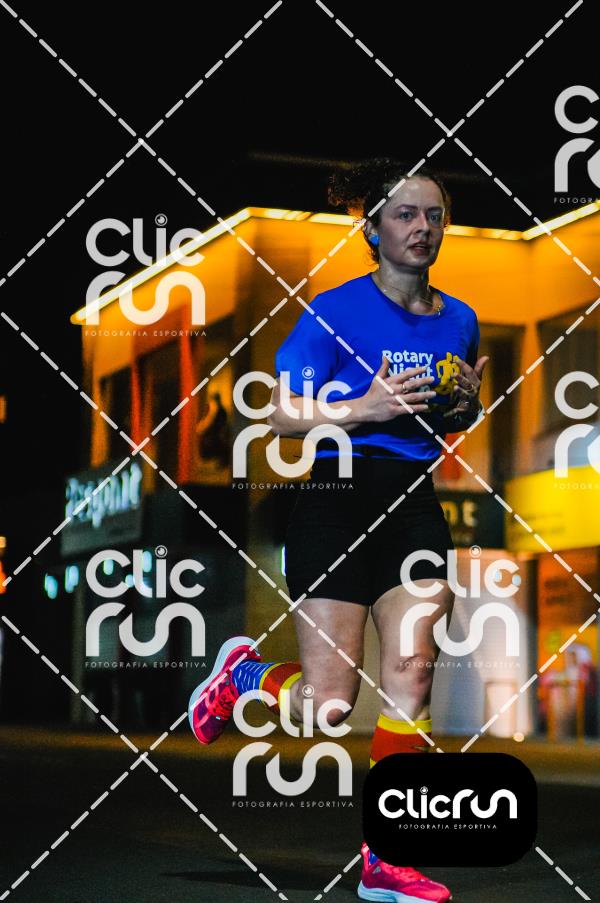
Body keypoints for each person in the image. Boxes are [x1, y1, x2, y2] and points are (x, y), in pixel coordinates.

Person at [188, 159, 489, 902]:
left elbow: (451, 413)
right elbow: (278, 411)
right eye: (405, 214)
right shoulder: (332, 310)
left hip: (412, 502)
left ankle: (387, 861)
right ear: (374, 229)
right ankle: (244, 674)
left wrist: (466, 407)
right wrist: (363, 408)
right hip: (336, 497)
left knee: (413, 672)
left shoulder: (459, 319)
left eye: (434, 215)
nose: (423, 227)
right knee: (328, 705)